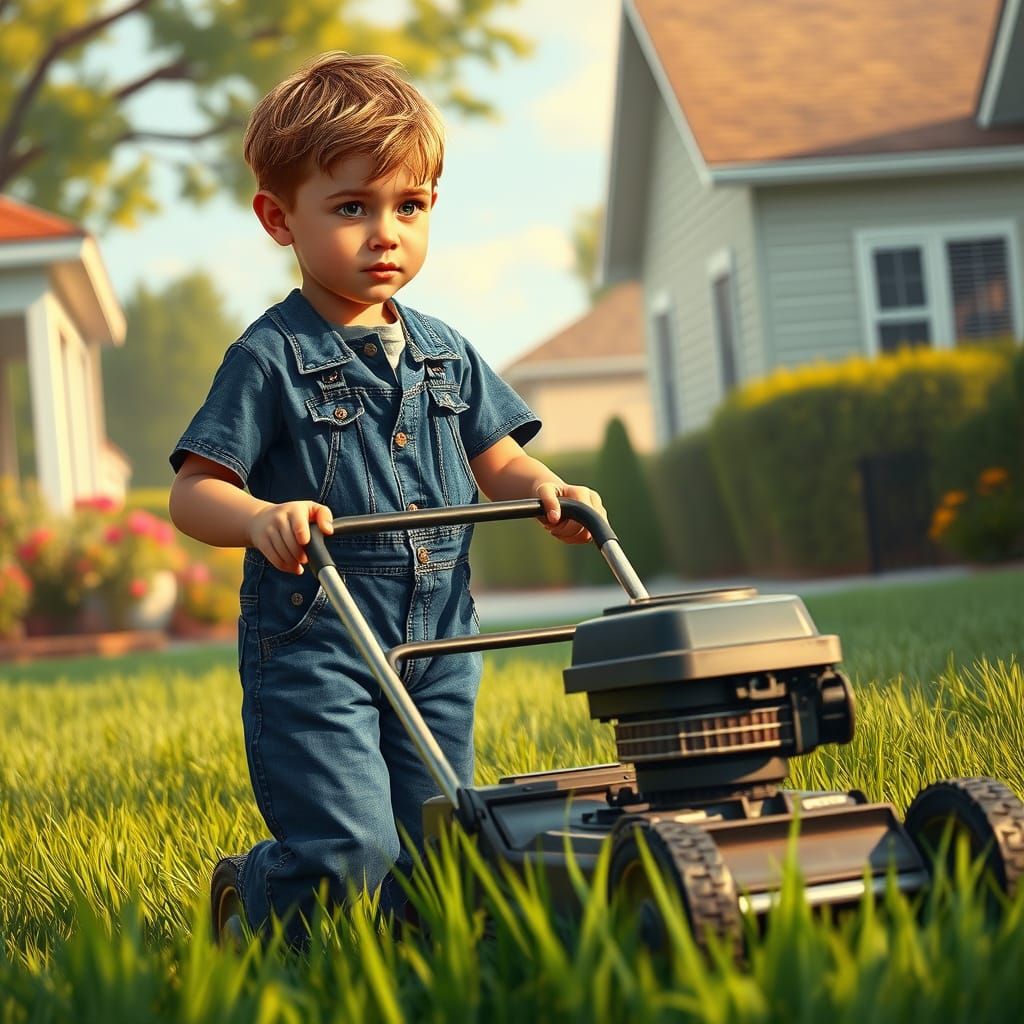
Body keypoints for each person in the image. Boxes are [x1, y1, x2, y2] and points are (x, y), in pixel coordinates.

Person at [167, 51, 606, 944]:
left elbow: (499, 462)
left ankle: (407, 954)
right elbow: (193, 492)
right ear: (277, 218)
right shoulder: (270, 359)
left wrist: (549, 490)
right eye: (352, 208)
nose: (385, 234)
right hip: (314, 643)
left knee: (446, 837)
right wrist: (259, 519)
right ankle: (250, 898)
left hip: (439, 637)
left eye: (408, 207)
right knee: (350, 846)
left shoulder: (449, 351)